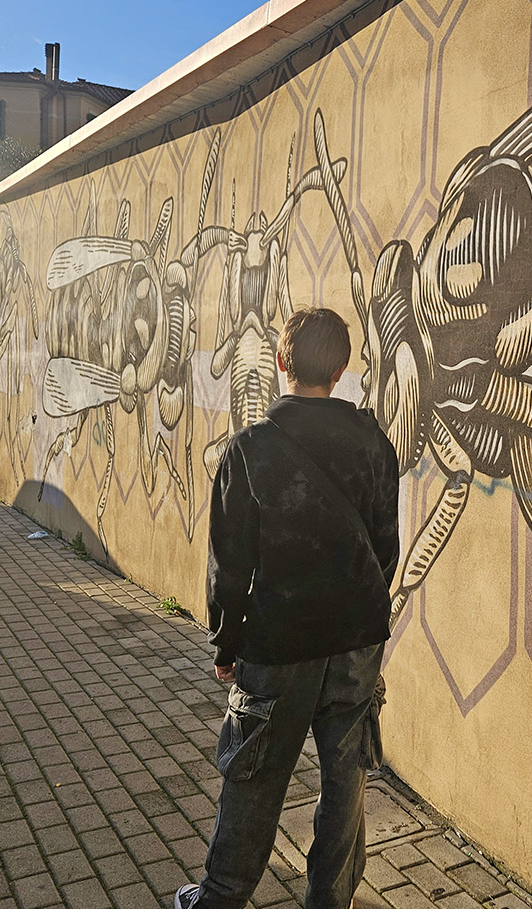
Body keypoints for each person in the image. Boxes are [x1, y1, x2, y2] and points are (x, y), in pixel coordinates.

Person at [177, 307, 400, 909]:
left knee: (253, 779)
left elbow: (230, 564)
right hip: (357, 641)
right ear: (343, 369)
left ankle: (220, 898)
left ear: (280, 361)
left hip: (278, 642)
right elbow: (386, 549)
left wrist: (227, 644)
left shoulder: (249, 449)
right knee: (345, 779)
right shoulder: (376, 444)